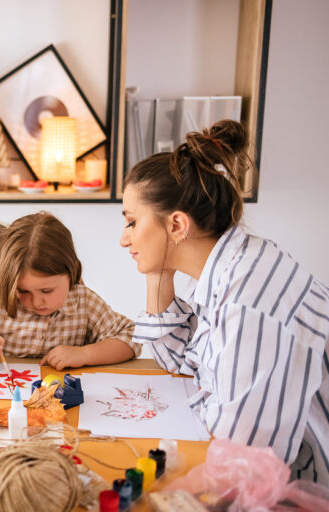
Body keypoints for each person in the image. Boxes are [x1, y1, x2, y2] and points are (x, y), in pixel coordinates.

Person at [120, 119, 329, 484]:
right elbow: (181, 362)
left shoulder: (247, 301)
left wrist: (207, 394)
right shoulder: (233, 266)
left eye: (132, 222)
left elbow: (245, 453)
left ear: (177, 226)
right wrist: (158, 269)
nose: (124, 239)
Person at [0, 212, 138, 369]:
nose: (36, 302)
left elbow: (131, 337)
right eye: (23, 291)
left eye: (47, 290)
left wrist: (84, 354)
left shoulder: (84, 302)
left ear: (71, 272)